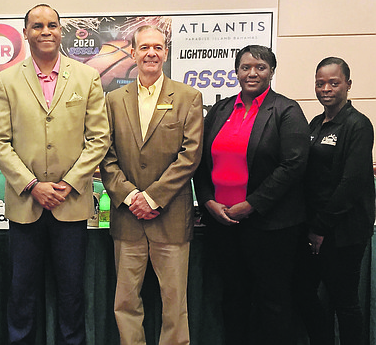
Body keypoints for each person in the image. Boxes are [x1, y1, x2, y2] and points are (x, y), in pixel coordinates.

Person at [0, 4, 110, 345]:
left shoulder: (87, 78)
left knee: (72, 292)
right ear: (25, 33)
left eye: (52, 25)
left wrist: (68, 184)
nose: (45, 31)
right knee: (21, 292)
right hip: (25, 206)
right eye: (37, 25)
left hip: (70, 205)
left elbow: (99, 139)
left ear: (61, 32)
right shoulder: (7, 80)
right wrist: (32, 185)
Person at [193, 45, 309, 345]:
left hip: (271, 227)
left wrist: (251, 205)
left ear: (271, 71)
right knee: (233, 297)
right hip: (224, 224)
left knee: (273, 301)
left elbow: (293, 164)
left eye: (260, 67)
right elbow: (199, 160)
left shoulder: (286, 110)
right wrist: (207, 201)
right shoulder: (220, 110)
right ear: (236, 72)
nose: (252, 73)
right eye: (245, 67)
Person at [99, 25, 203, 345]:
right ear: (133, 53)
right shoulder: (113, 100)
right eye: (144, 48)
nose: (151, 53)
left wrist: (154, 198)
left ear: (166, 53)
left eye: (158, 47)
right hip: (128, 218)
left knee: (174, 305)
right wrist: (131, 196)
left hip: (171, 218)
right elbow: (105, 156)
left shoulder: (188, 97)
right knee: (126, 303)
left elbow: (190, 155)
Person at [294, 57, 375, 345]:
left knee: (345, 302)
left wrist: (321, 229)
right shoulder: (316, 123)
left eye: (333, 82)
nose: (326, 88)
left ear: (348, 85)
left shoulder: (359, 125)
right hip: (314, 227)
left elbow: (350, 184)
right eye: (320, 83)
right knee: (304, 293)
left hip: (343, 232)